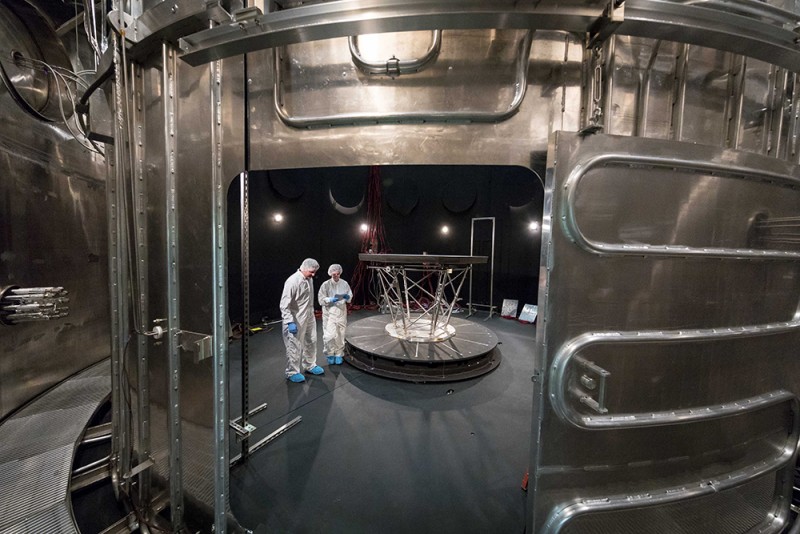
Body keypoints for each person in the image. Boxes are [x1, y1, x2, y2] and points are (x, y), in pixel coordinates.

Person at [280, 258, 325, 383]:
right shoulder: (292, 281)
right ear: (304, 268)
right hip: (295, 318)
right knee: (294, 345)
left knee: (312, 340)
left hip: (308, 315)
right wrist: (289, 321)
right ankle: (292, 371)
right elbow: (284, 304)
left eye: (315, 272)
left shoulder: (308, 279)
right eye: (311, 272)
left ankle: (310, 365)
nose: (313, 275)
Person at [317, 263, 352, 365]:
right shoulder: (325, 285)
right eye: (334, 274)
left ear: (340, 273)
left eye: (337, 274)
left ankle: (339, 353)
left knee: (340, 333)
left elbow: (349, 295)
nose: (336, 276)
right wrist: (329, 299)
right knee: (329, 335)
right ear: (330, 274)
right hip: (329, 313)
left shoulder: (344, 284)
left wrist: (346, 297)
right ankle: (330, 353)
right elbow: (320, 299)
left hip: (341, 312)